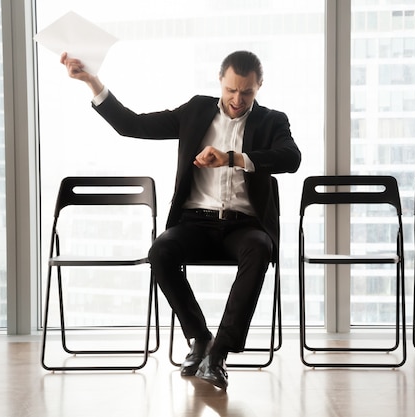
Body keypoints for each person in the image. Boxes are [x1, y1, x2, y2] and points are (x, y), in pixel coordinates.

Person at [60, 50, 301, 390]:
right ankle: (200, 338)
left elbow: (291, 158)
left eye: (247, 92)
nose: (237, 99)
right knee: (161, 251)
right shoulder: (196, 110)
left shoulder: (272, 121)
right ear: (220, 80)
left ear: (259, 86)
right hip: (195, 222)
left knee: (260, 248)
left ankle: (218, 354)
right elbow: (132, 124)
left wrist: (232, 158)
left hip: (244, 226)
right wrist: (91, 81)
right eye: (231, 89)